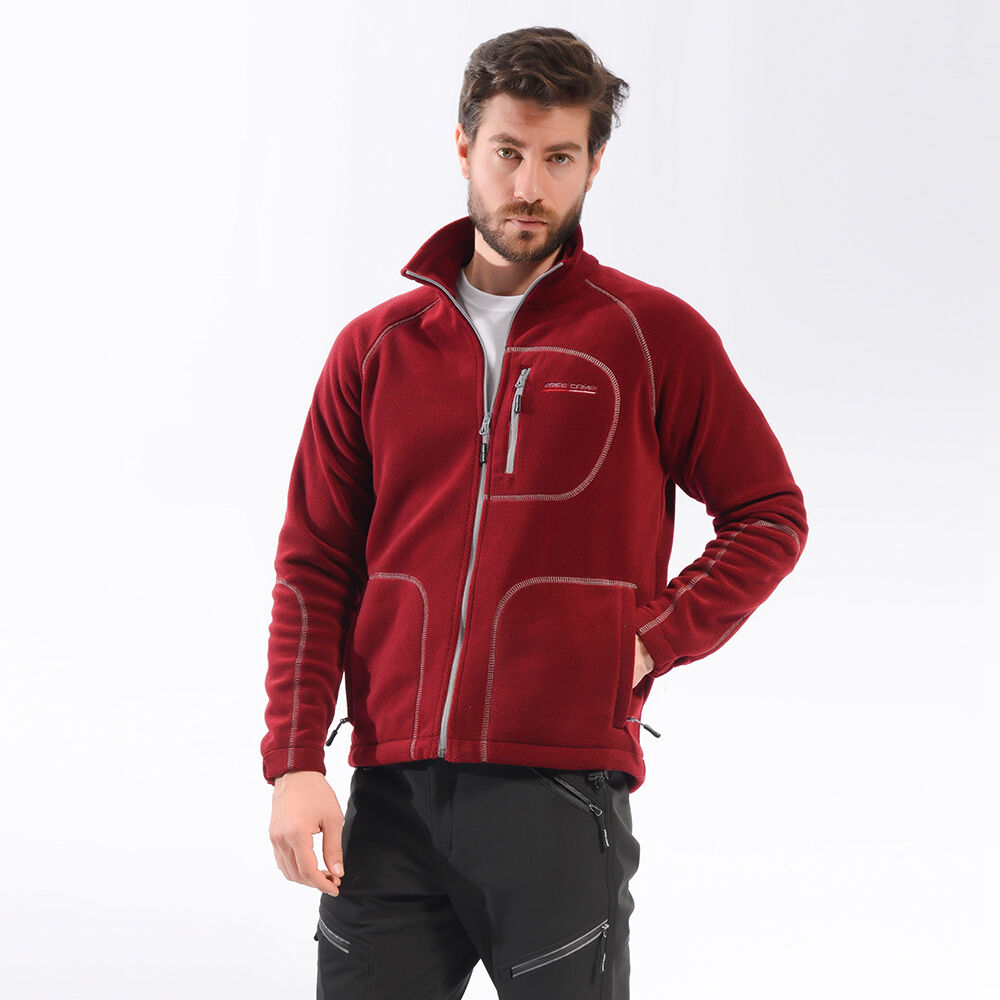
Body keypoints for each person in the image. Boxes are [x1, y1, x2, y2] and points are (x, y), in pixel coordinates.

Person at [261, 25, 808, 999]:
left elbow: (768, 514)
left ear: (593, 164)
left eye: (559, 158)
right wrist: (296, 760)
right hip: (389, 796)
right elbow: (315, 564)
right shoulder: (375, 349)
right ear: (463, 146)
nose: (529, 185)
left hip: (559, 793)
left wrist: (646, 643)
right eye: (508, 151)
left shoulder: (650, 335)